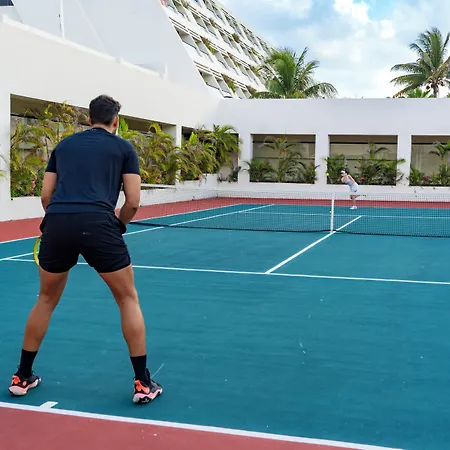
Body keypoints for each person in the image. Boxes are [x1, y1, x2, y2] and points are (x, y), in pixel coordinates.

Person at [8, 95, 162, 405]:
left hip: (57, 222)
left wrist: (60, 220)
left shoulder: (63, 147)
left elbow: (46, 196)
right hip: (100, 224)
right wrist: (118, 224)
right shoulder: (124, 149)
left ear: (89, 119)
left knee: (45, 299)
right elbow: (133, 201)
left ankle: (22, 376)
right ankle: (143, 383)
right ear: (115, 121)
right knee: (127, 299)